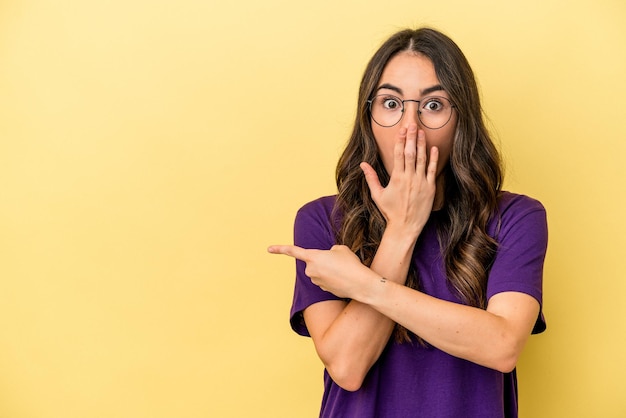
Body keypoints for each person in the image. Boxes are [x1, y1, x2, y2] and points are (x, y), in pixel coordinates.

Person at [268, 27, 547, 418]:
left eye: (433, 105)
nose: (409, 127)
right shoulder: (321, 221)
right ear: (369, 116)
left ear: (460, 119)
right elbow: (347, 368)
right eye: (391, 103)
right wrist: (402, 229)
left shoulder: (515, 217)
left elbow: (502, 346)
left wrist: (364, 284)